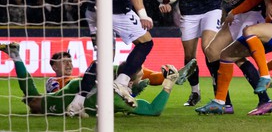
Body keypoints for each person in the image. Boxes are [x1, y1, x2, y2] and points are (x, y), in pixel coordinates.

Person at [187, 0, 272, 115]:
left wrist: (268, 3)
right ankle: (224, 103)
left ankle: (265, 100)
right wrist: (228, 12)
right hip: (238, 14)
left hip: (254, 12)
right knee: (211, 52)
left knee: (234, 56)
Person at [0, 42, 185, 117]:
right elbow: (154, 110)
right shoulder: (118, 98)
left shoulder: (117, 73)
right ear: (129, 81)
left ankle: (16, 57)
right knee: (34, 104)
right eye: (137, 79)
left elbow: (99, 66)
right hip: (71, 95)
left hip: (83, 86)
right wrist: (168, 84)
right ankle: (16, 56)